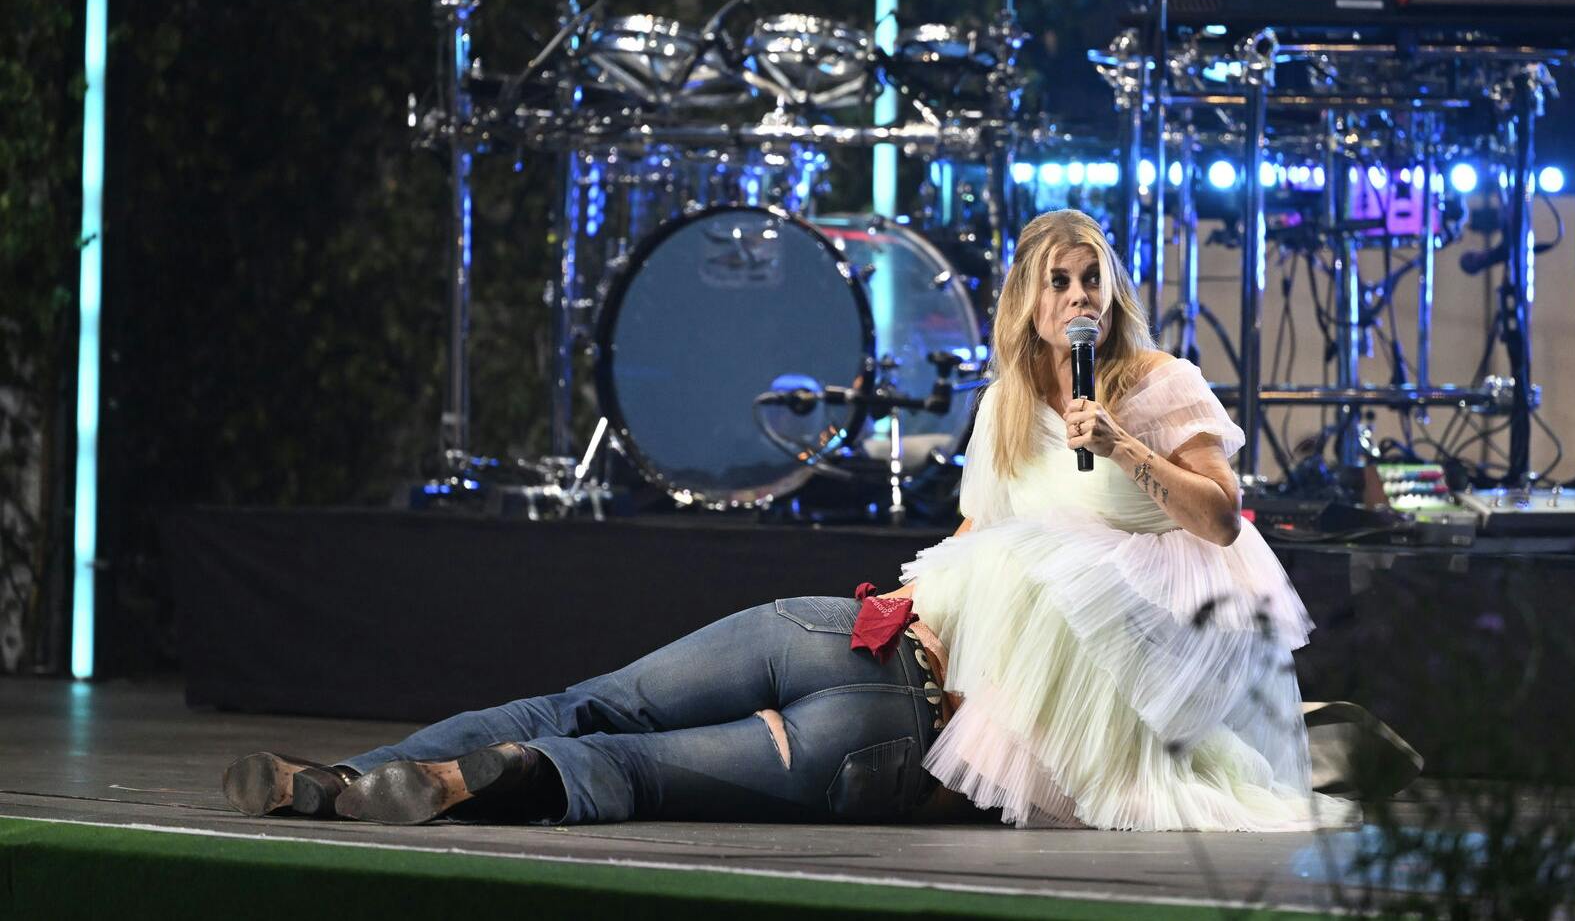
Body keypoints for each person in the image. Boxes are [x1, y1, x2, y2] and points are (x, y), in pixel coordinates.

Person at [223, 209, 1359, 830]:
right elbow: (972, 547)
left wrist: (1125, 448)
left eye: (1092, 279)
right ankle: (344, 779)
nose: (1079, 299)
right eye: (1058, 282)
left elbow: (1220, 518)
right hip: (855, 636)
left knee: (637, 761)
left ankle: (454, 785)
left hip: (895, 736)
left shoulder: (1157, 392)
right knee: (601, 703)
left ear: (1112, 289)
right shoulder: (1010, 410)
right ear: (1025, 301)